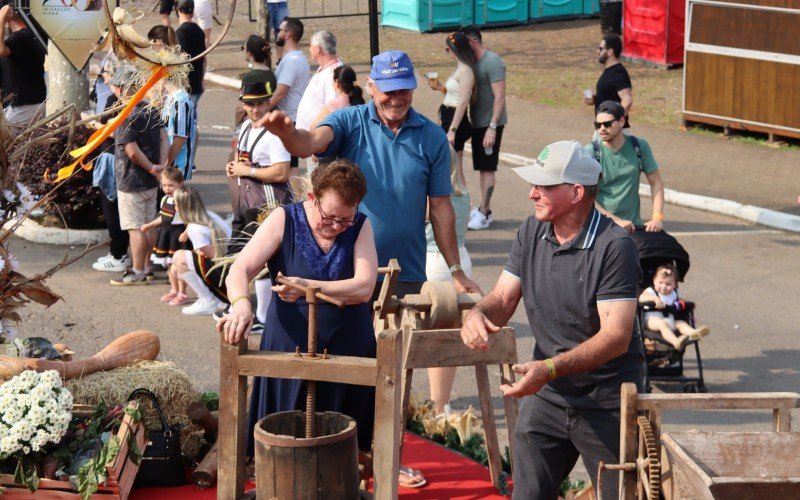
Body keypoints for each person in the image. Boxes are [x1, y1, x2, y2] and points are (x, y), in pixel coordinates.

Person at [460, 140, 644, 499]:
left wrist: (549, 369)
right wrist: (477, 313)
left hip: (605, 401)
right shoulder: (531, 231)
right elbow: (503, 297)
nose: (531, 194)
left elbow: (616, 336)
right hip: (548, 396)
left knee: (618, 495)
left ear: (576, 192)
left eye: (543, 186)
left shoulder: (614, 247)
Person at [257, 49, 479, 299]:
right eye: (389, 91)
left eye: (403, 91)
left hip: (406, 275)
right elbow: (310, 143)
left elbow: (440, 209)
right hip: (346, 273)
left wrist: (456, 270)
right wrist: (288, 136)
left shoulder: (433, 137)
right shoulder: (349, 121)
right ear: (371, 86)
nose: (396, 100)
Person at [218, 160, 378, 458]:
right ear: (312, 198)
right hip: (288, 346)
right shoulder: (284, 219)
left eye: (345, 220)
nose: (336, 227)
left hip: (348, 349)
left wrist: (307, 285)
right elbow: (239, 269)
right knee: (281, 440)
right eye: (330, 217)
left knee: (342, 446)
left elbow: (364, 287)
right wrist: (241, 305)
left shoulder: (361, 226)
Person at [109, 65, 168, 286]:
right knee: (149, 224)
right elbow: (164, 138)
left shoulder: (128, 114)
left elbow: (132, 151)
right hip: (151, 180)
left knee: (136, 228)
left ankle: (137, 270)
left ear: (123, 89)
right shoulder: (151, 109)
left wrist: (152, 168)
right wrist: (160, 166)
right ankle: (149, 266)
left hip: (132, 180)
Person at [425, 145, 472, 417]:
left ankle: (436, 405)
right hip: (461, 260)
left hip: (434, 263)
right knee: (449, 336)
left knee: (433, 340)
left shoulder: (430, 197)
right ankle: (442, 402)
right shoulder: (463, 193)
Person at [585, 100, 665, 233]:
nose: (602, 129)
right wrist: (615, 221)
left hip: (633, 228)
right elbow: (585, 198)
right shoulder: (590, 153)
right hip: (600, 229)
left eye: (607, 124)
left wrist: (657, 217)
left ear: (622, 121)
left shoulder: (639, 146)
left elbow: (656, 182)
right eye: (598, 125)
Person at [459, 25, 507, 231]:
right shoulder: (473, 62)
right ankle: (482, 209)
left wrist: (493, 127)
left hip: (490, 124)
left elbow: (500, 97)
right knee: (480, 167)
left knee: (487, 167)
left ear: (472, 42)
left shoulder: (492, 62)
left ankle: (485, 211)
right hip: (478, 123)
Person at [168, 185, 229, 315]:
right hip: (230, 264)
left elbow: (215, 257)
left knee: (179, 258)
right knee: (183, 262)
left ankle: (209, 300)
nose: (174, 207)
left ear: (183, 207)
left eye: (176, 204)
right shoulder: (209, 215)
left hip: (225, 272)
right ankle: (216, 298)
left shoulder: (195, 228)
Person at [426, 31, 474, 187]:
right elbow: (454, 93)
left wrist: (452, 129)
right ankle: (457, 198)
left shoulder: (466, 70)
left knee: (455, 164)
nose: (447, 52)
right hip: (448, 115)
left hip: (455, 119)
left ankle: (464, 200)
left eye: (448, 49)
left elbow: (463, 101)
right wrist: (440, 87)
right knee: (450, 164)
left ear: (455, 49)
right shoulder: (459, 67)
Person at [268, 16, 310, 172]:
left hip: (289, 119)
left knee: (289, 165)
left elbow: (280, 92)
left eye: (280, 30)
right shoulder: (295, 58)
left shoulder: (292, 60)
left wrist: (263, 111)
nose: (277, 33)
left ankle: (293, 196)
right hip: (292, 117)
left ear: (288, 34)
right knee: (290, 163)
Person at [639, 263, 710, 351]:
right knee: (662, 324)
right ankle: (676, 341)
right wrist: (654, 299)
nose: (663, 286)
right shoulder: (651, 291)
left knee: (681, 323)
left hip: (669, 320)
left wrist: (685, 305)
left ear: (675, 285)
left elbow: (680, 303)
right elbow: (641, 298)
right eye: (660, 282)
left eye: (668, 284)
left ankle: (693, 333)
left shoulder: (673, 294)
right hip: (651, 320)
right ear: (654, 280)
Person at [0, 4, 46, 129]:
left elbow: (1, 50)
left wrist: (1, 19)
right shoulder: (32, 36)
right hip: (31, 104)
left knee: (9, 146)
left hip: (22, 107)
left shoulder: (21, 37)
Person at [140, 166, 187, 272]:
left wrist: (187, 233)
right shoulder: (164, 199)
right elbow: (163, 217)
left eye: (170, 185)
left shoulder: (182, 200)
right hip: (166, 233)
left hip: (178, 234)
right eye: (164, 185)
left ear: (180, 184)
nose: (167, 188)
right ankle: (172, 280)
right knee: (168, 261)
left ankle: (179, 280)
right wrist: (149, 225)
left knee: (178, 260)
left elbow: (190, 219)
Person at [295, 30, 342, 132]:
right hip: (306, 138)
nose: (309, 49)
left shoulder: (334, 73)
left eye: (311, 46)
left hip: (317, 139)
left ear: (317, 49)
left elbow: (333, 109)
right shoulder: (323, 69)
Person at [584, 33, 632, 128]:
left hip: (612, 131)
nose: (598, 51)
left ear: (610, 52)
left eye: (601, 49)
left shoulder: (618, 72)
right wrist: (594, 99)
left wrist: (615, 123)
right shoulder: (609, 71)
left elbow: (627, 100)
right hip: (603, 128)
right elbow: (610, 97)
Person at [175, 0, 206, 110]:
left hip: (186, 88)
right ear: (193, 12)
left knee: (184, 122)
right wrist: (201, 80)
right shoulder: (199, 31)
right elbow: (204, 59)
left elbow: (182, 59)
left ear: (177, 10)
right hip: (197, 85)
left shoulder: (180, 33)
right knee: (192, 120)